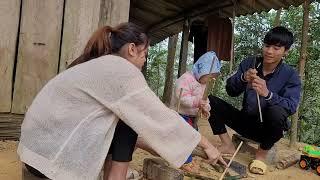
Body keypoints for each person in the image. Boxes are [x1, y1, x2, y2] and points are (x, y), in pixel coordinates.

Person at [17, 22, 226, 180]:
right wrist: (207, 145)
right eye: (144, 54)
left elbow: (142, 136)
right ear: (132, 49)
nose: (144, 61)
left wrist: (180, 149)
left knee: (128, 122)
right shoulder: (121, 69)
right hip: (52, 163)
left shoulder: (99, 64)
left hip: (34, 155)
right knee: (130, 122)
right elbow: (159, 115)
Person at [208, 26, 301, 174]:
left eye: (277, 48)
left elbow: (291, 106)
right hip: (245, 123)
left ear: (286, 51)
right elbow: (231, 91)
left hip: (269, 130)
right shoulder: (250, 63)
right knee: (210, 101)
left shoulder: (290, 75)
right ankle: (227, 144)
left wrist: (267, 94)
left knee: (277, 112)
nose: (269, 51)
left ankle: (261, 154)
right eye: (267, 45)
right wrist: (243, 78)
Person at [171, 51, 221, 172]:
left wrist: (205, 108)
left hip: (192, 117)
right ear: (201, 70)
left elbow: (205, 100)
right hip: (180, 114)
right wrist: (197, 102)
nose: (211, 79)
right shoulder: (186, 79)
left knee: (193, 138)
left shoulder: (204, 83)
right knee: (186, 137)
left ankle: (189, 157)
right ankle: (185, 161)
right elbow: (181, 98)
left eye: (213, 77)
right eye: (210, 76)